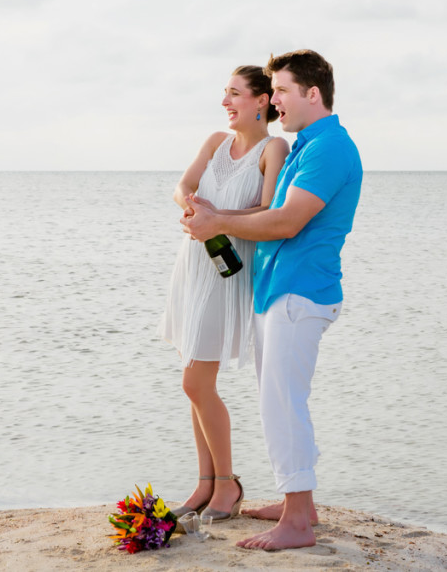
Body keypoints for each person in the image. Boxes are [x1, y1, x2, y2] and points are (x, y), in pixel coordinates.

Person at [181, 50, 362, 551]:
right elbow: (270, 214)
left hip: (302, 291)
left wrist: (218, 222)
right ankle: (296, 503)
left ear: (312, 93)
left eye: (281, 90)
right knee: (279, 400)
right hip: (278, 289)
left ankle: (299, 520)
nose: (275, 98)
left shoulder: (329, 149)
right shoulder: (307, 145)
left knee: (281, 404)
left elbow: (285, 221)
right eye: (274, 90)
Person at [158, 65, 290, 523]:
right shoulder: (214, 141)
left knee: (195, 382)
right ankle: (204, 484)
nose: (225, 102)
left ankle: (228, 484)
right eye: (225, 93)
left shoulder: (275, 148)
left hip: (229, 272)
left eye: (235, 93)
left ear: (262, 102)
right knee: (196, 387)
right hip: (193, 264)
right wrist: (192, 207)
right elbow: (181, 187)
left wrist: (219, 217)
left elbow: (271, 209)